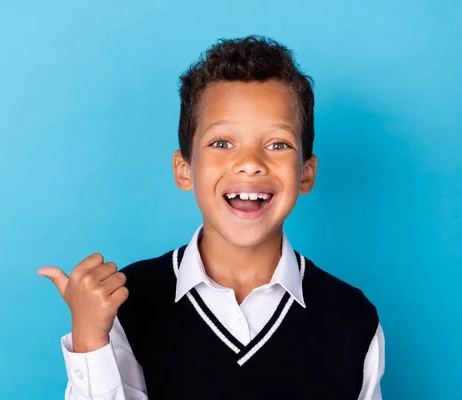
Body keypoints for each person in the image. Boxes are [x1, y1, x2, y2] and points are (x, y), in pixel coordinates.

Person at [38, 35, 385, 399]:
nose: (250, 163)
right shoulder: (126, 302)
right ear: (184, 169)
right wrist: (90, 340)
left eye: (277, 144)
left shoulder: (352, 318)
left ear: (306, 174)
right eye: (222, 143)